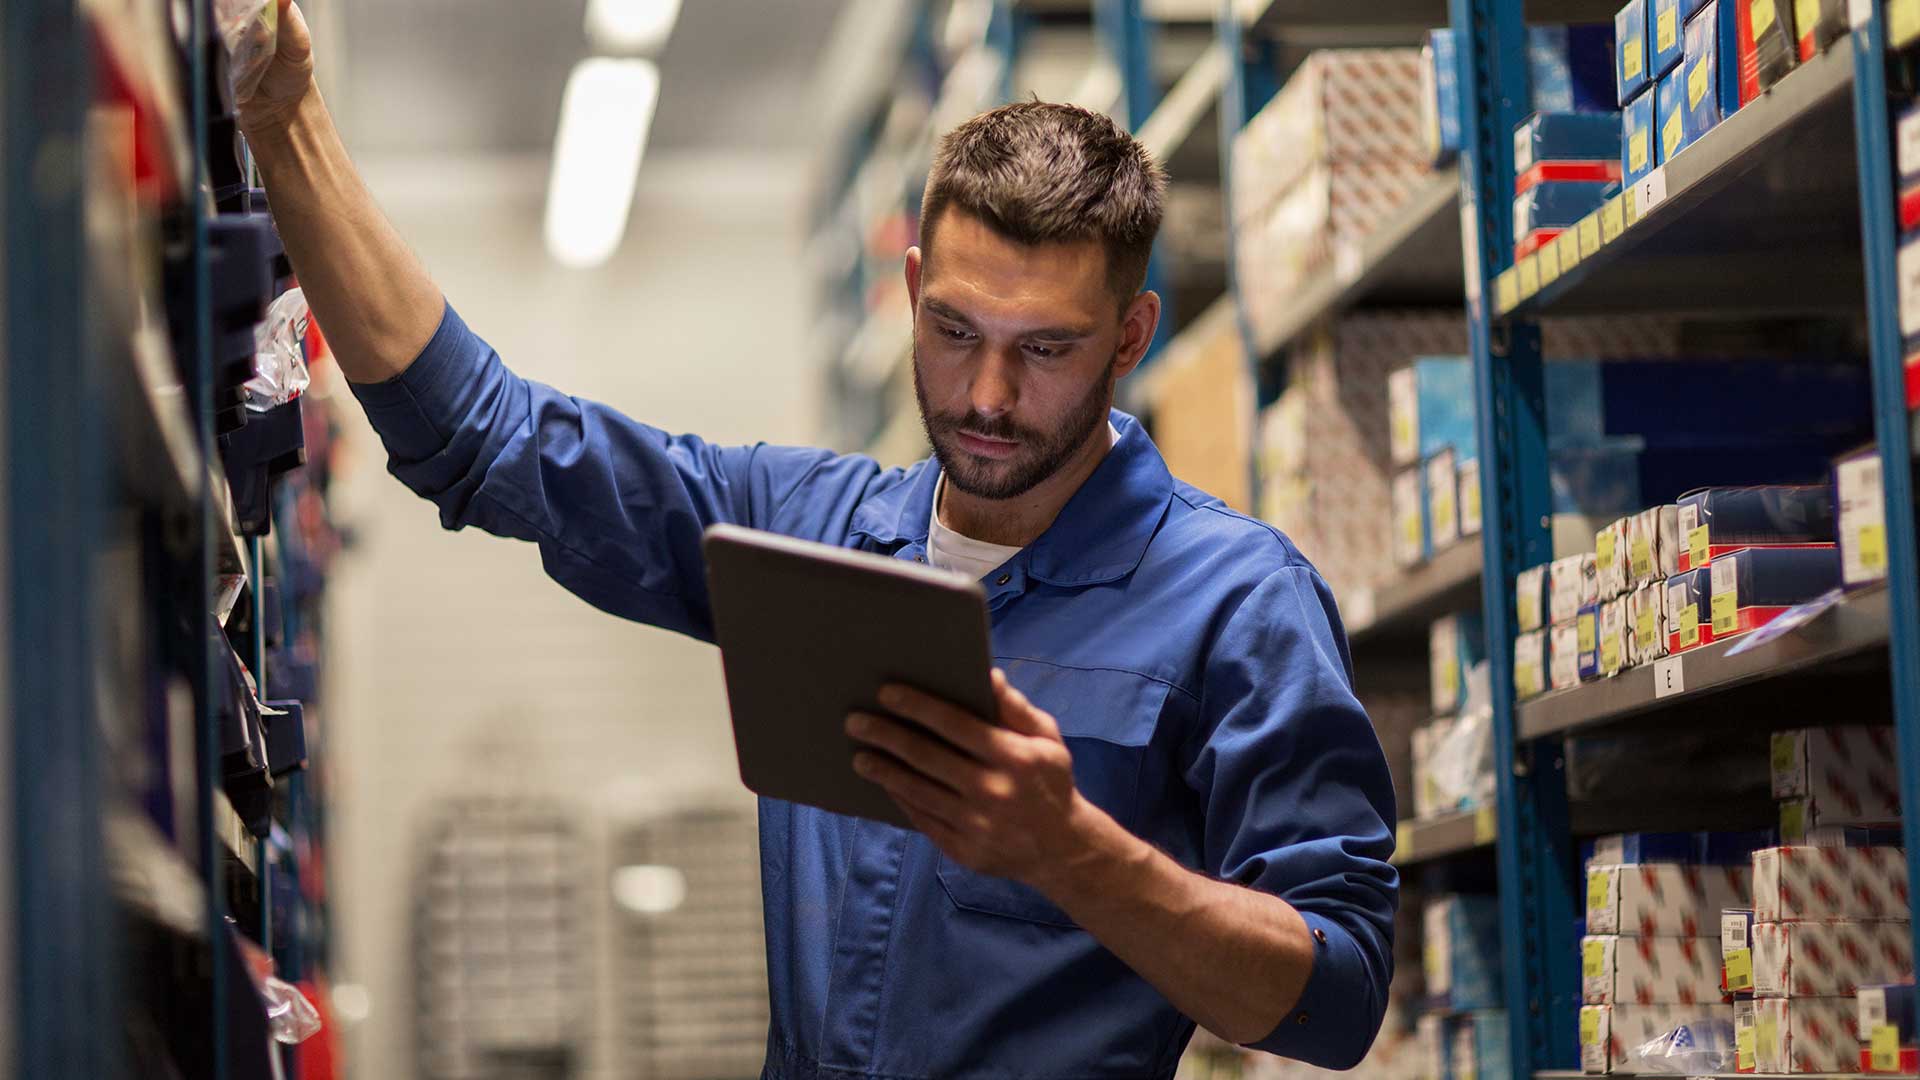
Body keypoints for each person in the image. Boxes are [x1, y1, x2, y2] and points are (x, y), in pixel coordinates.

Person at [238, 2, 1397, 1076]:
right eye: (952, 330)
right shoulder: (806, 533)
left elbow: (1338, 996)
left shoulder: (1238, 601)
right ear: (909, 286)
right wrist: (285, 113)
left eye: (1044, 349)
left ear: (1131, 334)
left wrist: (1073, 852)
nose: (986, 395)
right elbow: (486, 440)